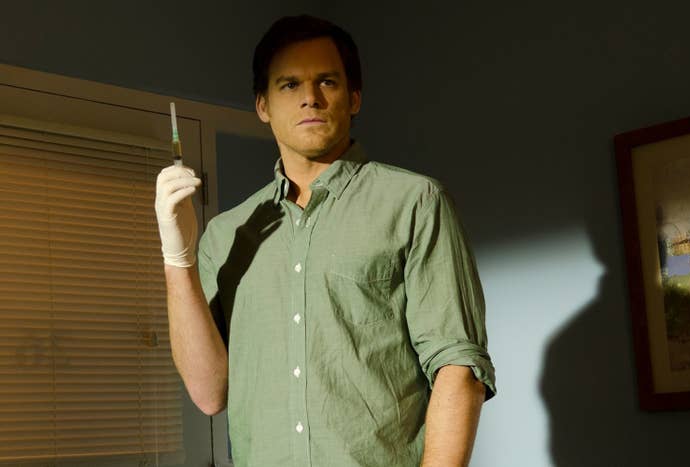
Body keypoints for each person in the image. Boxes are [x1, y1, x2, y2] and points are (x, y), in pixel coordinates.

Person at [155, 14, 496, 467]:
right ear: (263, 105)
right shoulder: (226, 233)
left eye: (327, 82)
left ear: (353, 98)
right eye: (289, 85)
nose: (310, 98)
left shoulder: (415, 202)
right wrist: (176, 257)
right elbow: (208, 392)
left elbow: (459, 370)